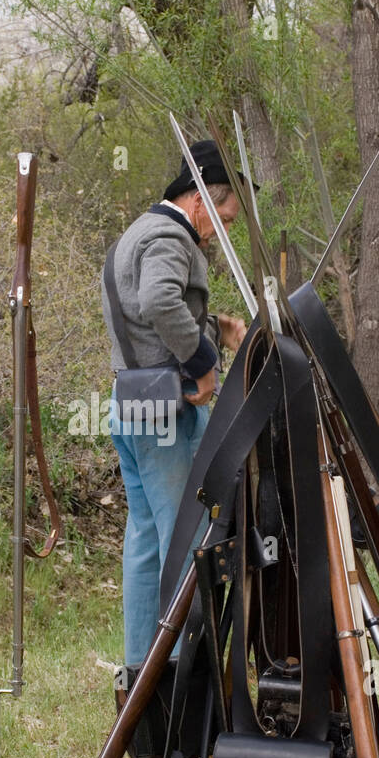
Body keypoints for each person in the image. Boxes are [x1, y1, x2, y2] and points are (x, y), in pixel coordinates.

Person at [102, 139, 246, 667]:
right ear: (201, 200)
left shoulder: (139, 232)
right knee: (187, 542)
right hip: (167, 414)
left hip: (134, 406)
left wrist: (214, 325)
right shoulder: (169, 235)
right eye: (225, 219)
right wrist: (205, 360)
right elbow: (159, 301)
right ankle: (187, 677)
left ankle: (143, 671)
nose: (223, 232)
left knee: (145, 545)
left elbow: (149, 318)